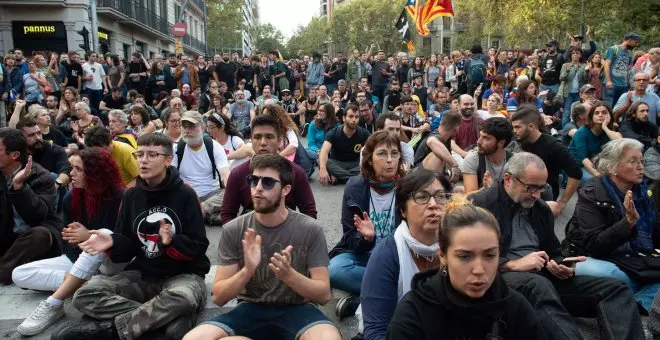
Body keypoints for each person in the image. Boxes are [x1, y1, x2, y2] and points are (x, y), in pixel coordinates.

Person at [470, 151, 645, 340]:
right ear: (508, 179)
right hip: (500, 279)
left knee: (616, 289)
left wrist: (561, 264)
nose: (537, 195)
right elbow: (469, 257)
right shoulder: (481, 206)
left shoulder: (540, 208)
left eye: (542, 188)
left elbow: (552, 250)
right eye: (530, 188)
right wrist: (511, 264)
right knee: (537, 284)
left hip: (541, 279)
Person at [52, 133, 210, 340]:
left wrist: (172, 241)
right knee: (85, 295)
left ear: (168, 160)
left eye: (152, 155)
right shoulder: (131, 196)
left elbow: (199, 246)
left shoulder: (186, 194)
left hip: (184, 275)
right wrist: (112, 242)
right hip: (144, 274)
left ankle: (112, 330)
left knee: (182, 300)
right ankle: (160, 319)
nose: (143, 160)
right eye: (140, 154)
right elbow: (128, 249)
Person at [184, 154, 340, 340]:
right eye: (253, 180)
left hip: (297, 308)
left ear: (285, 189)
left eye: (267, 182)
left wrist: (289, 275)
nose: (257, 188)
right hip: (250, 309)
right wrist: (248, 270)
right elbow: (219, 297)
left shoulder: (310, 229)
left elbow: (323, 295)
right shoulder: (234, 229)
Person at [386, 198, 547, 340]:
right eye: (465, 257)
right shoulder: (413, 315)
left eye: (489, 255)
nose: (479, 270)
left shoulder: (516, 309)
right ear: (442, 255)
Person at [12, 147, 124, 336]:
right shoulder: (71, 197)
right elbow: (69, 242)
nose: (71, 173)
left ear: (95, 172)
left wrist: (88, 236)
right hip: (83, 261)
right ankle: (84, 283)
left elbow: (124, 243)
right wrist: (76, 241)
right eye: (71, 167)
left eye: (78, 169)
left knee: (100, 235)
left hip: (113, 262)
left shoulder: (121, 197)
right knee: (19, 274)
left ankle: (54, 303)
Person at [563, 138, 660, 312]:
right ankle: (642, 296)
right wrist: (628, 224)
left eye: (642, 161)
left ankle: (634, 301)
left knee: (635, 279)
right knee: (618, 277)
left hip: (634, 257)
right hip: (595, 258)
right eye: (633, 161)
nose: (640, 166)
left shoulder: (644, 191)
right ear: (612, 167)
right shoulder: (591, 194)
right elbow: (595, 245)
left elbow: (656, 231)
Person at [361, 169, 451, 339]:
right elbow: (376, 331)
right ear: (403, 210)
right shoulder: (387, 255)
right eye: (422, 196)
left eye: (440, 196)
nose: (433, 204)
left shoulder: (459, 247)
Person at [328, 130, 406, 318]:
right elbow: (349, 235)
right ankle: (392, 294)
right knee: (334, 270)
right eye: (382, 153)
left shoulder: (407, 186)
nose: (389, 160)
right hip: (364, 254)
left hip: (398, 257)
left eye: (394, 154)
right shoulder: (355, 187)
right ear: (369, 159)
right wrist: (366, 238)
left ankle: (361, 301)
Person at [220, 114, 317, 225]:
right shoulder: (237, 174)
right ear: (251, 140)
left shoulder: (296, 173)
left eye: (269, 137)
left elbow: (309, 213)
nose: (263, 143)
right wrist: (238, 238)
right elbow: (227, 214)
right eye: (257, 137)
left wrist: (296, 238)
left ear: (279, 140)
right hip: (250, 235)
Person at [0, 128, 62, 285]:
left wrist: (19, 186)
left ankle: (3, 271)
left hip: (31, 238)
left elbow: (38, 215)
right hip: (6, 237)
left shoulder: (40, 176)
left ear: (14, 155)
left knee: (40, 234)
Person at [511, 105, 582, 216]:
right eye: (513, 127)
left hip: (543, 197)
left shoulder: (554, 146)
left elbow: (576, 173)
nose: (514, 131)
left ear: (531, 126)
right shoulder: (521, 140)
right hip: (521, 193)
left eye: (517, 127)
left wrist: (562, 202)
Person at [173, 110, 230, 225]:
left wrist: (230, 188)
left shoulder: (214, 147)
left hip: (212, 195)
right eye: (184, 126)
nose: (187, 130)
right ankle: (207, 216)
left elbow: (225, 173)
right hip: (187, 195)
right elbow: (170, 175)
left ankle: (198, 212)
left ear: (202, 127)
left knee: (230, 191)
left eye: (192, 126)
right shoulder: (176, 149)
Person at [569, 102, 623, 183]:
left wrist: (605, 127)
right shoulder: (581, 132)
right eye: (596, 113)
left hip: (596, 163)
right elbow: (584, 159)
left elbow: (621, 143)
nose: (600, 115)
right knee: (597, 181)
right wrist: (599, 176)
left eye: (604, 113)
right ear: (591, 117)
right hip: (577, 167)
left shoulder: (608, 131)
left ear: (609, 116)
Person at [319, 104, 371, 184]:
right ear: (343, 118)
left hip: (356, 164)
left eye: (356, 117)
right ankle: (356, 178)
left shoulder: (364, 133)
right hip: (337, 163)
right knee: (322, 162)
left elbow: (374, 148)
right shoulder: (333, 133)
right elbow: (324, 151)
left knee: (369, 164)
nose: (354, 120)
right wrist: (322, 169)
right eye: (350, 116)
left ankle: (340, 178)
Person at [461, 117, 513, 193]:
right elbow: (469, 197)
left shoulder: (514, 161)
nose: (478, 141)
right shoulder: (472, 159)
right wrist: (486, 189)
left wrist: (493, 189)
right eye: (480, 136)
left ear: (501, 143)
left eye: (486, 138)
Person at [413, 112, 461, 181]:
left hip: (426, 176)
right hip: (417, 179)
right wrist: (454, 164)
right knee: (437, 157)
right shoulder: (435, 136)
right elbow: (431, 141)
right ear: (456, 127)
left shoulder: (446, 139)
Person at [604, 33, 641, 107]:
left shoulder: (629, 53)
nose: (636, 45)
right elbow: (606, 64)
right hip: (612, 84)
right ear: (630, 40)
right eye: (635, 42)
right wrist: (608, 81)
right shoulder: (613, 49)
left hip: (623, 85)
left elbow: (630, 68)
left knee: (620, 106)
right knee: (609, 106)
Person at [559, 47, 589, 127]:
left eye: (577, 53)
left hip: (579, 93)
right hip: (568, 92)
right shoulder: (565, 65)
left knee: (579, 112)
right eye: (573, 53)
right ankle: (564, 132)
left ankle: (576, 130)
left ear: (580, 55)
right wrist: (567, 71)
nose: (575, 55)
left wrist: (586, 71)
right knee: (567, 112)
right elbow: (561, 78)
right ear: (571, 55)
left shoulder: (584, 65)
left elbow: (586, 79)